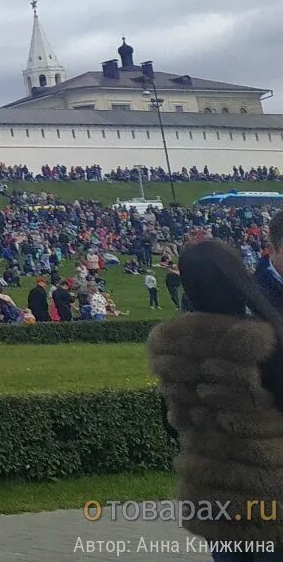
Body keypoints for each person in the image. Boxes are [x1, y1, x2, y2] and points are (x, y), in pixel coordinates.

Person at [149, 239, 283, 560]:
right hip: (269, 489)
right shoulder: (259, 342)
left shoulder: (171, 344)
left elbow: (171, 421)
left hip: (211, 491)